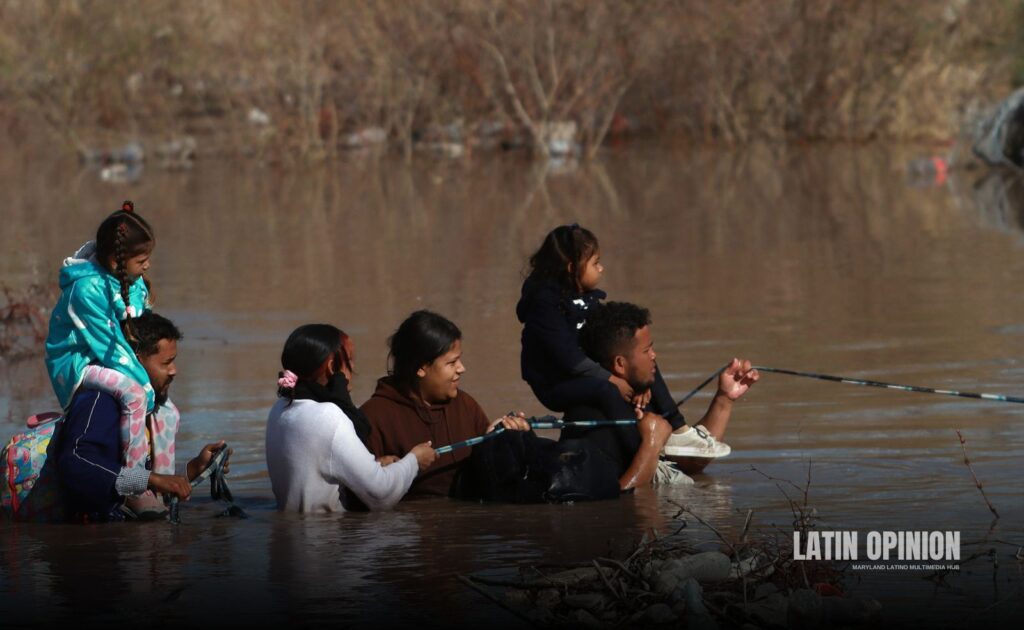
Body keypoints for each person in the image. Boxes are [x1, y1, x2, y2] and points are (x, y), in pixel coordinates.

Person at [516, 224, 727, 461]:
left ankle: (679, 429)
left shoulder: (585, 298)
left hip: (586, 372)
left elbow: (605, 342)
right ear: (571, 268)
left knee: (645, 360)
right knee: (605, 390)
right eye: (595, 263)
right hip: (556, 383)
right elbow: (568, 358)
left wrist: (640, 382)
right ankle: (642, 449)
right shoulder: (545, 305)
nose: (601, 268)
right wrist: (612, 379)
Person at [44, 200, 169, 513]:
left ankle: (164, 484)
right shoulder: (85, 289)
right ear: (117, 260)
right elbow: (108, 344)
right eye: (142, 259)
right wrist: (147, 383)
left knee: (170, 413)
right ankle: (135, 485)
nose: (148, 266)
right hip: (80, 363)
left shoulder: (133, 282)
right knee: (135, 394)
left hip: (109, 355)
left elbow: (142, 331)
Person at [562, 301, 759, 490]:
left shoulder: (642, 396)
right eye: (646, 350)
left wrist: (724, 399)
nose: (654, 356)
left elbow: (689, 465)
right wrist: (652, 443)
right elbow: (613, 501)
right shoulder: (590, 419)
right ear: (620, 364)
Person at [54, 312, 230, 522]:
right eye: (166, 363)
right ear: (135, 362)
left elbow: (149, 486)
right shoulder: (99, 401)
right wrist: (152, 480)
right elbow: (75, 463)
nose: (174, 371)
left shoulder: (152, 408)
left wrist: (195, 469)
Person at [265, 324, 438, 513]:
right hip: (327, 539)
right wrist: (414, 461)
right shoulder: (328, 417)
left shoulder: (280, 409)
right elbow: (381, 495)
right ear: (332, 367)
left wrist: (376, 466)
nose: (353, 366)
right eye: (349, 359)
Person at [361, 310, 530, 498]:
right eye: (452, 362)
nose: (462, 368)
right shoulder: (374, 415)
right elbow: (358, 491)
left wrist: (499, 435)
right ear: (421, 368)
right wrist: (380, 468)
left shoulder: (465, 404)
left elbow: (486, 468)